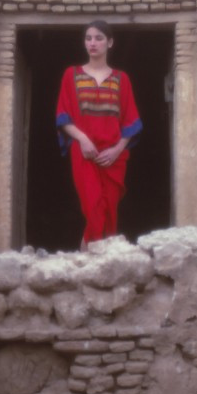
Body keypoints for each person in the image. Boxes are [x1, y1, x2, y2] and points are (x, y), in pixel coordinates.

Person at [56, 21, 142, 250]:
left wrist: (117, 150)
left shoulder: (121, 79)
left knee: (109, 212)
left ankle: (94, 264)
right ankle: (93, 264)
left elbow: (130, 121)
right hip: (85, 154)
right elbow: (63, 115)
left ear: (110, 42)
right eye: (88, 38)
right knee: (93, 211)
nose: (92, 43)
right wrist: (83, 139)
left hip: (112, 157)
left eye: (99, 38)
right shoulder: (71, 75)